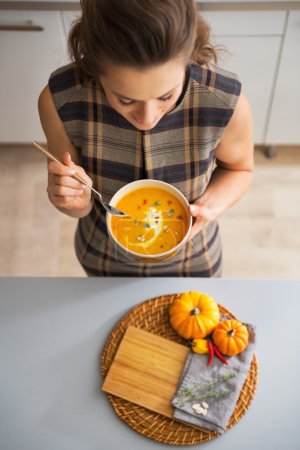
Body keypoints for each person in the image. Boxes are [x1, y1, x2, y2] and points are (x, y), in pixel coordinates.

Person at [38, 0, 253, 277]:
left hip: (194, 260)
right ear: (93, 64)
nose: (148, 117)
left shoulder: (225, 102)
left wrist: (209, 205)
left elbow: (240, 169)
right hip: (102, 259)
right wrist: (74, 200)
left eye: (166, 95)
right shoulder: (60, 101)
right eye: (126, 99)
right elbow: (80, 207)